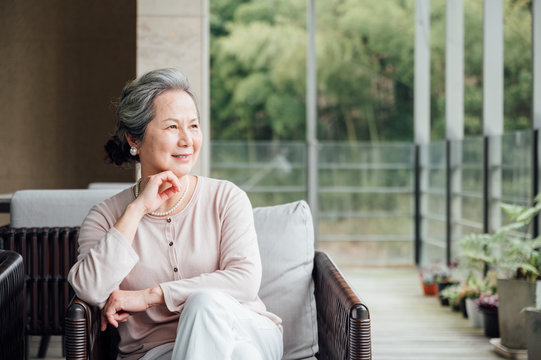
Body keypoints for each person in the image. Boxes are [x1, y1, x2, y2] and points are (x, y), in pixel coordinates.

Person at [68, 68, 283, 360]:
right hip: (160, 352)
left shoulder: (226, 197)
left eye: (193, 126)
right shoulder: (107, 216)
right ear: (134, 138)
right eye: (172, 127)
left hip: (247, 328)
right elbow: (90, 289)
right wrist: (138, 209)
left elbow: (244, 281)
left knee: (205, 304)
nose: (187, 140)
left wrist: (150, 296)